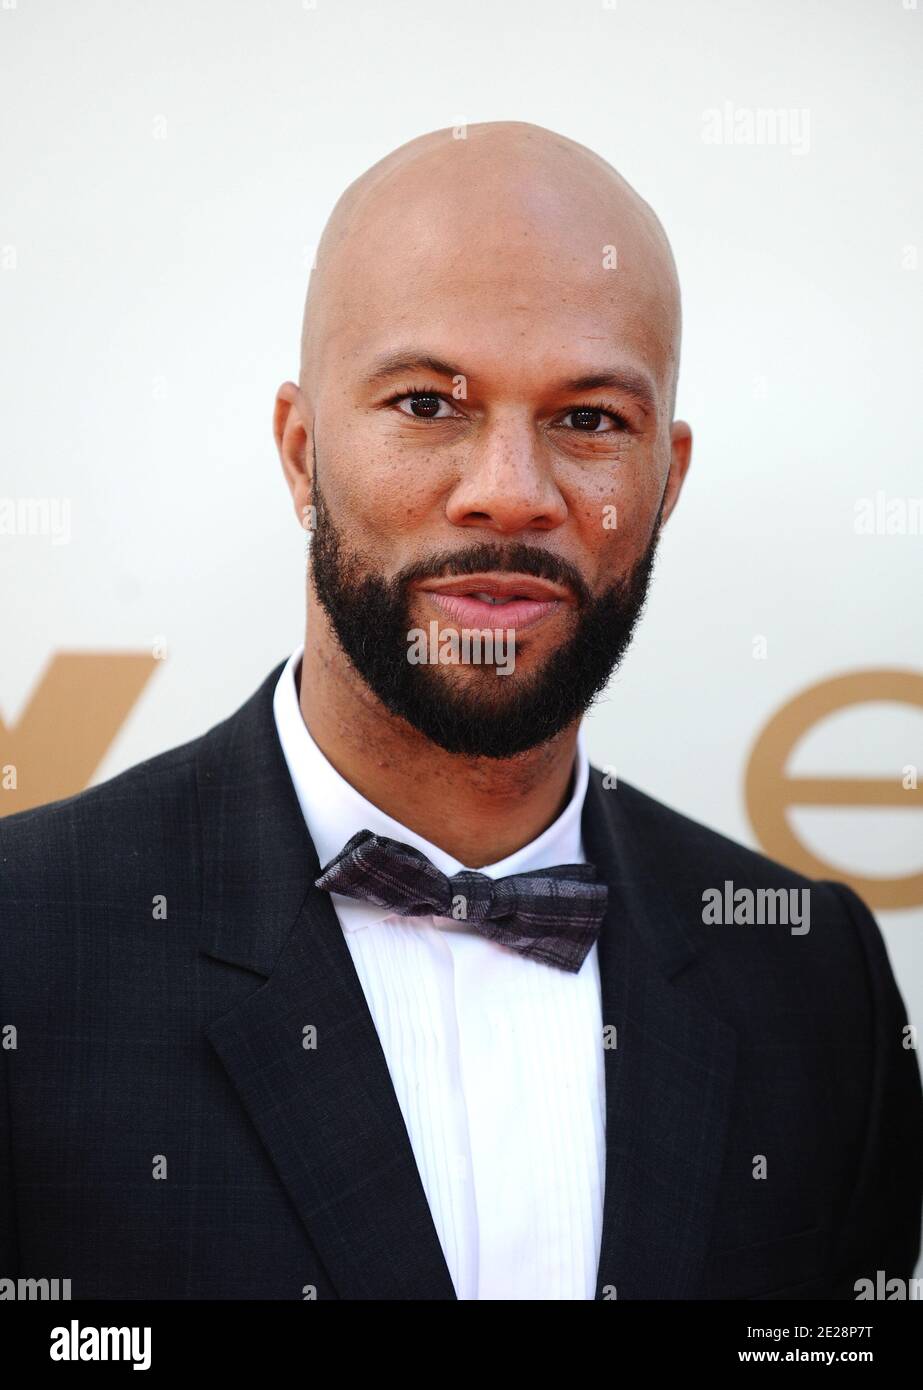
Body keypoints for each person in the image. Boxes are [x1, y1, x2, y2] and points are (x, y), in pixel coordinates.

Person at [1, 122, 919, 1301]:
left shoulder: (808, 981)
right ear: (299, 453)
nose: (507, 493)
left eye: (588, 419)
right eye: (429, 402)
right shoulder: (28, 947)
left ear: (665, 480)